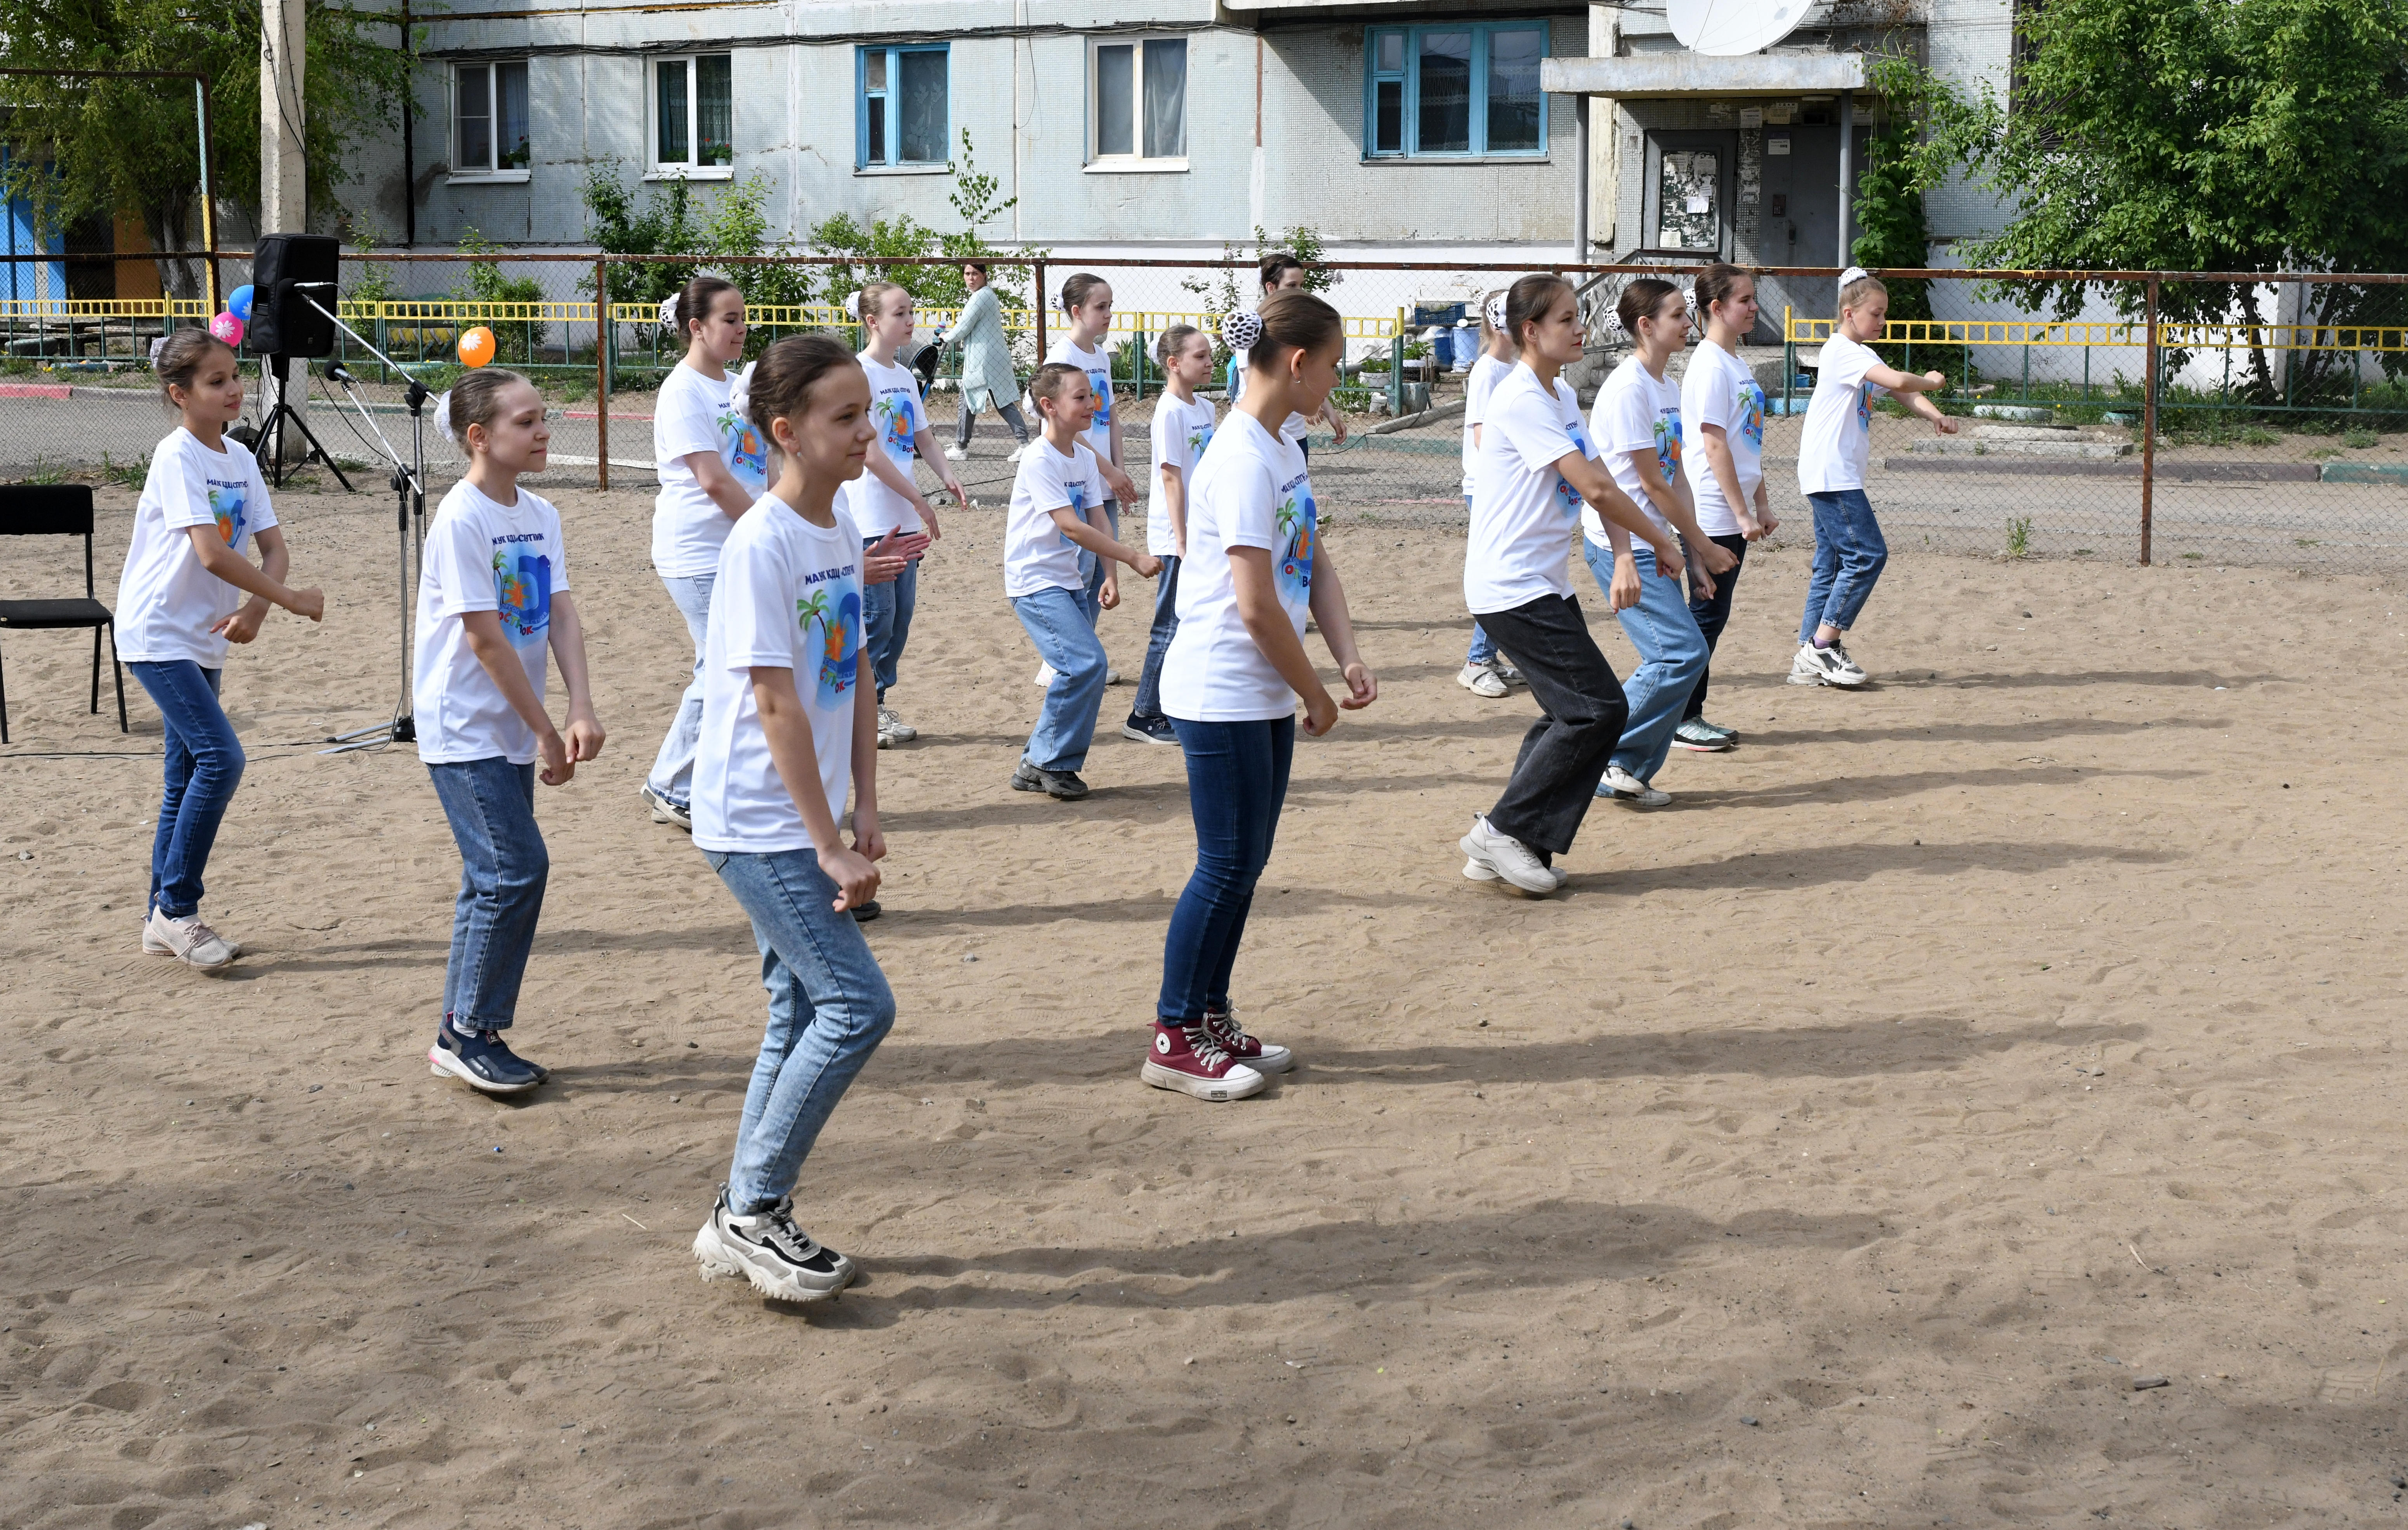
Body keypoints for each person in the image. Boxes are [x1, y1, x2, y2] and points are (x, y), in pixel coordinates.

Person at [686, 334, 898, 1304]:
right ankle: (754, 1207)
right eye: (845, 416)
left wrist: (866, 800)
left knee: (799, 1006)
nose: (868, 430)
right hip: (756, 820)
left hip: (808, 813)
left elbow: (852, 672)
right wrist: (823, 839)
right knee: (857, 1005)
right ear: (785, 431)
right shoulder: (761, 542)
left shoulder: (841, 523)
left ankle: (741, 1208)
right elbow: (774, 701)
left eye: (868, 411)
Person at [1147, 297, 1377, 1100]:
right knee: (1224, 863)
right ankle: (1173, 1033)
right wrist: (1310, 690)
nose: (1338, 376)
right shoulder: (1240, 454)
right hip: (1219, 686)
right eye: (1336, 361)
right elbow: (1252, 605)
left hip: (1258, 690)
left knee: (1244, 863)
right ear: (1297, 363)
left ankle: (1208, 1013)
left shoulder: (1281, 446)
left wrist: (1344, 656)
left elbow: (1308, 560)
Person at [1457, 274, 1682, 897]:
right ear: (1529, 331)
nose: (1580, 327)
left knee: (1568, 712)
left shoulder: (1555, 395)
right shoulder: (1518, 397)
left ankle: (1505, 840)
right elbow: (1599, 489)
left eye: (1577, 316)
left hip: (1539, 582)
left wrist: (1624, 554)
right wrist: (1660, 542)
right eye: (1565, 319)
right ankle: (1504, 830)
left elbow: (1599, 476)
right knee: (1598, 709)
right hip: (1510, 586)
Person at [417, 370, 605, 1095]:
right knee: (514, 870)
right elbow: (486, 640)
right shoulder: (462, 517)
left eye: (541, 418)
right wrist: (547, 733)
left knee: (490, 877)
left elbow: (560, 613)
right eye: (525, 422)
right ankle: (467, 1033)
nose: (542, 431)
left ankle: (461, 1029)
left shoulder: (539, 513)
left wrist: (579, 707)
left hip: (508, 726)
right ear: (480, 437)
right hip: (464, 727)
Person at [117, 329, 325, 970]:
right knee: (221, 759)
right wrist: (291, 601)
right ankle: (177, 909)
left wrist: (260, 606)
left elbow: (274, 547)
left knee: (183, 780)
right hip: (157, 632)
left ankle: (160, 917)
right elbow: (210, 551)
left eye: (235, 377)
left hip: (203, 637)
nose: (234, 389)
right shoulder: (177, 457)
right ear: (179, 394)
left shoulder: (237, 456)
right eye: (216, 381)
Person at [1585, 278, 1742, 807]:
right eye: (1676, 315)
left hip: (1656, 542)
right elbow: (1647, 483)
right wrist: (1696, 543)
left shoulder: (1665, 387)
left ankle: (1625, 767)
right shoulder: (1628, 388)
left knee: (1681, 656)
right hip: (1622, 545)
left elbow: (1676, 480)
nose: (1686, 322)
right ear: (1645, 326)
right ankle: (1605, 752)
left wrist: (1695, 554)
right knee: (1678, 655)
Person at [1792, 266, 1957, 687]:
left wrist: (1934, 415)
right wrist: (1933, 382)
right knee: (1867, 555)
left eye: (1883, 314)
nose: (1881, 322)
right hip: (1832, 473)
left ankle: (1807, 658)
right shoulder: (1843, 350)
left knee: (1830, 564)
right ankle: (1823, 647)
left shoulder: (1860, 354)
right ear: (1849, 313)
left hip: (1831, 471)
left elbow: (1901, 392)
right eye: (1875, 313)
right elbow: (1905, 379)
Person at [642, 277, 766, 833]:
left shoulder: (739, 385)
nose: (742, 329)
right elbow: (714, 480)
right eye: (730, 320)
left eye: (743, 318)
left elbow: (764, 462)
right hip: (698, 549)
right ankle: (671, 784)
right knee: (718, 666)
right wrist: (771, 530)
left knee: (737, 666)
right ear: (696, 327)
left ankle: (708, 780)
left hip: (740, 543)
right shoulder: (683, 391)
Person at [1005, 362, 1161, 800]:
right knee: (1086, 665)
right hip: (1034, 581)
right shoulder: (1040, 458)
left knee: (1078, 669)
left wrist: (1109, 575)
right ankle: (1050, 763)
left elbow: (1099, 517)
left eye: (1092, 396)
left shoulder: (1081, 454)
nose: (1091, 404)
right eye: (1080, 397)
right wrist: (1131, 558)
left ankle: (1038, 761)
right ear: (1048, 407)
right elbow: (1071, 527)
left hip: (1070, 578)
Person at [842, 280, 961, 748]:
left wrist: (946, 475)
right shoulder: (857, 373)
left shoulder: (905, 377)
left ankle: (876, 702)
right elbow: (869, 453)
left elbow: (923, 438)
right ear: (873, 322)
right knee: (876, 616)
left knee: (901, 616)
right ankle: (863, 711)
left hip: (905, 514)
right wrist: (917, 497)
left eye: (911, 311)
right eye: (900, 313)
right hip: (871, 515)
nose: (910, 320)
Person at [1675, 263, 1777, 748]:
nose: (1754, 306)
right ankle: (1680, 717)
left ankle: (1683, 714)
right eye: (1745, 300)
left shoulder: (1734, 363)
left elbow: (1745, 443)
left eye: (1753, 298)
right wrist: (1739, 513)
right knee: (1704, 616)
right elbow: (1713, 445)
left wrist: (1760, 504)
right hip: (1713, 511)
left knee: (1711, 616)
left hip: (1733, 508)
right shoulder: (1710, 365)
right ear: (1716, 308)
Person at [1040, 274, 1141, 683]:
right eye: (1101, 307)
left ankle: (1082, 655)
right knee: (1078, 572)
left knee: (1102, 571)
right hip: (1077, 482)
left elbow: (1111, 419)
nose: (1109, 314)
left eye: (1110, 305)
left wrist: (1119, 471)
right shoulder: (1061, 358)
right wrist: (1108, 470)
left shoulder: (1099, 356)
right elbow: (1071, 432)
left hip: (1102, 480)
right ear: (1077, 311)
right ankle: (1059, 660)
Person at [1122, 323, 1216, 746]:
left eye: (1209, 354)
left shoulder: (1206, 409)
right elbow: (1171, 477)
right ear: (1174, 363)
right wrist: (1180, 539)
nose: (1209, 362)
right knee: (1169, 624)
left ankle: (1176, 705)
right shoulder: (1170, 411)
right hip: (1176, 533)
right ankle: (1143, 713)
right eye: (1199, 356)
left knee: (1194, 619)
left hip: (1201, 528)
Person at [1455, 291, 1526, 699]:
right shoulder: (1487, 371)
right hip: (1486, 488)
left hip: (1505, 487)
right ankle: (1477, 661)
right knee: (1500, 573)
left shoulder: (1512, 368)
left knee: (1510, 570)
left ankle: (1488, 656)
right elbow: (1483, 437)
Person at [1227, 253, 1349, 461]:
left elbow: (1309, 376)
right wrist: (1304, 405)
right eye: (1292, 286)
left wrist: (1328, 411)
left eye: (1302, 285)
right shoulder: (1257, 331)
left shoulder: (1297, 330)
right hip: (1266, 432)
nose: (1300, 291)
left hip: (1293, 434)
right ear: (1271, 288)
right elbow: (1256, 383)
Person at [944, 261, 1030, 461]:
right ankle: (1023, 443)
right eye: (967, 274)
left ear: (984, 275)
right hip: (992, 358)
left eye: (975, 274)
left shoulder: (980, 297)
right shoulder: (988, 295)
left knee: (969, 398)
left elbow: (963, 327)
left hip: (983, 360)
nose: (971, 278)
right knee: (1000, 402)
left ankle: (961, 448)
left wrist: (946, 337)